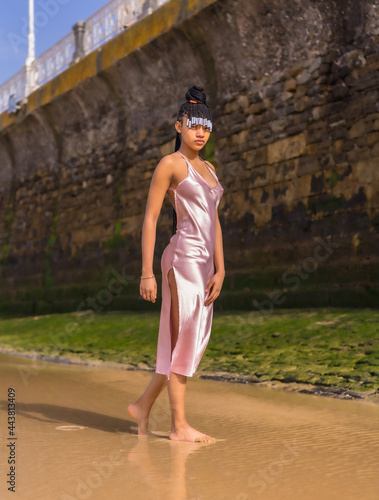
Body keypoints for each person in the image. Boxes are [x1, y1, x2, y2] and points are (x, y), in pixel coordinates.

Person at [128, 85, 225, 443]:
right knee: (183, 340)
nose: (200, 132)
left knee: (188, 340)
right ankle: (178, 426)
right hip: (181, 260)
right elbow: (151, 219)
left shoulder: (210, 168)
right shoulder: (171, 164)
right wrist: (147, 273)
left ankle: (142, 407)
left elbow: (213, 222)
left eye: (206, 127)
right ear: (178, 126)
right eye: (193, 125)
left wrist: (222, 268)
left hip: (204, 266)